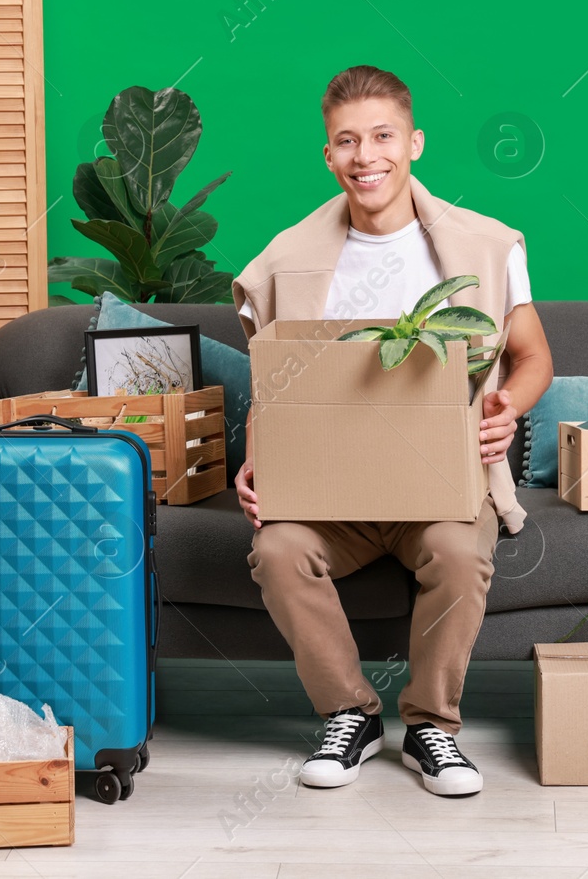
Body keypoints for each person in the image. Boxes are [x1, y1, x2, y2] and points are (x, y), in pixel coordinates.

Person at [231, 65, 553, 796]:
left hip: (439, 485)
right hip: (331, 494)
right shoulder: (288, 258)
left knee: (453, 549)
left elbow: (532, 357)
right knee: (277, 548)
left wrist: (506, 406)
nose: (364, 155)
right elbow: (278, 383)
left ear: (414, 143)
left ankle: (432, 726)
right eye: (346, 141)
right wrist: (258, 463)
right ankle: (350, 712)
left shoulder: (483, 247)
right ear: (327, 155)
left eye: (381, 136)